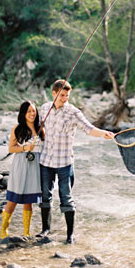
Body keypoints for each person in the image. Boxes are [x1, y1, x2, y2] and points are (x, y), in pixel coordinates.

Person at [38, 78, 114, 243]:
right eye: (62, 95)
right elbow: (37, 128)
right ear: (54, 93)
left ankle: (70, 235)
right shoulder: (44, 108)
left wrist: (104, 134)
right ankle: (45, 230)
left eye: (67, 96)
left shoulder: (73, 112)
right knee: (45, 196)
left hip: (65, 162)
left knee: (66, 197)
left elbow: (89, 129)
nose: (65, 98)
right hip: (45, 161)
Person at [0, 100, 44, 239]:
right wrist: (25, 148)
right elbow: (11, 148)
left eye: (34, 111)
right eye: (29, 111)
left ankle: (26, 231)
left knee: (28, 200)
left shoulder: (40, 128)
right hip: (20, 164)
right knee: (13, 198)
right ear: (23, 113)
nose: (32, 114)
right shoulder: (18, 128)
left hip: (34, 165)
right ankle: (4, 229)